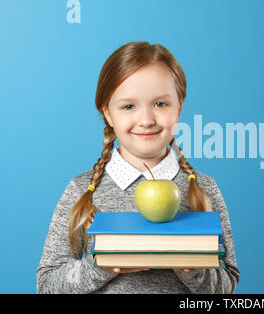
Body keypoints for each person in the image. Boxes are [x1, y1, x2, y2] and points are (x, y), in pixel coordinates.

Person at [36, 41, 240, 294]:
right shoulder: (81, 189)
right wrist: (102, 265)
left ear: (179, 108)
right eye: (128, 106)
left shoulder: (203, 188)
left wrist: (192, 265)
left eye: (160, 104)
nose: (146, 120)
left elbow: (227, 283)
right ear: (108, 114)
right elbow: (47, 284)